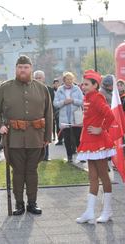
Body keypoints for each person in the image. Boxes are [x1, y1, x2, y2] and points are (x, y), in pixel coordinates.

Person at [0, 55, 53, 216]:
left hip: (36, 137)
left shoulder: (42, 89)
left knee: (32, 171)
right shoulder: (5, 87)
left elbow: (48, 113)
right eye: (20, 67)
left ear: (31, 69)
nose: (23, 70)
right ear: (16, 69)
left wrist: (47, 136)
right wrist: (0, 126)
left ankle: (32, 203)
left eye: (26, 67)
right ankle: (19, 204)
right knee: (18, 171)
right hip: (14, 138)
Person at [76, 70, 116, 224]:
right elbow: (92, 116)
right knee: (92, 177)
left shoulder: (98, 97)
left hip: (98, 142)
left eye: (86, 84)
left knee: (103, 176)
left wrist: (102, 128)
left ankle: (107, 211)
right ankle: (90, 211)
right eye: (82, 83)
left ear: (95, 85)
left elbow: (110, 115)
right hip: (89, 141)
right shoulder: (88, 97)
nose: (83, 86)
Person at [53, 72, 83, 163]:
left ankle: (81, 157)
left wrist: (73, 100)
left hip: (76, 118)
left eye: (71, 79)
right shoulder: (60, 90)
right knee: (67, 138)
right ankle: (69, 156)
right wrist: (64, 102)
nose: (69, 81)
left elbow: (82, 101)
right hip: (64, 118)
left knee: (78, 138)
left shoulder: (77, 89)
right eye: (67, 79)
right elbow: (55, 103)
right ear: (64, 80)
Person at [33, 70, 54, 161]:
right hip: (35, 116)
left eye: (40, 78)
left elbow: (52, 103)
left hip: (46, 115)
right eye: (36, 78)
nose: (38, 79)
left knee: (46, 135)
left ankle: (46, 155)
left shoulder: (49, 89)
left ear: (43, 78)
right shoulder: (31, 89)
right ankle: (37, 156)